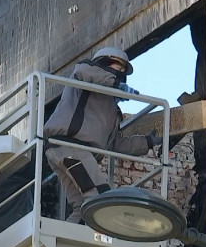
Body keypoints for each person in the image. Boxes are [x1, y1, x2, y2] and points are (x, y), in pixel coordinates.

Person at [44, 46, 162, 223]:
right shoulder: (85, 79)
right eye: (118, 68)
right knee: (102, 199)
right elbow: (83, 70)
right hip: (70, 147)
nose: (120, 73)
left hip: (70, 152)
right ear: (103, 64)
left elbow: (115, 144)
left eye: (123, 71)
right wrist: (115, 85)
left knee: (81, 207)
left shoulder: (112, 111)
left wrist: (148, 142)